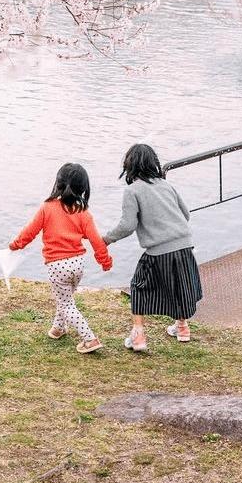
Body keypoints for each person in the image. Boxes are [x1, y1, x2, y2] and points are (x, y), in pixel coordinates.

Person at [104, 144, 202, 353]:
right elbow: (186, 214)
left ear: (129, 166)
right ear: (153, 162)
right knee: (180, 286)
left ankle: (138, 335)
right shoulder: (166, 185)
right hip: (184, 244)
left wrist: (107, 239)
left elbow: (127, 225)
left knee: (138, 286)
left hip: (158, 249)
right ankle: (182, 328)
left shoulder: (132, 191)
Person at [9, 163, 111, 354]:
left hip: (57, 265)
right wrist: (105, 261)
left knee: (66, 303)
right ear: (83, 188)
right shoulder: (83, 213)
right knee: (66, 298)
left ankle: (90, 338)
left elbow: (30, 232)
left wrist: (15, 245)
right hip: (78, 264)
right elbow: (96, 240)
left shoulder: (47, 208)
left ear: (58, 183)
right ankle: (58, 328)